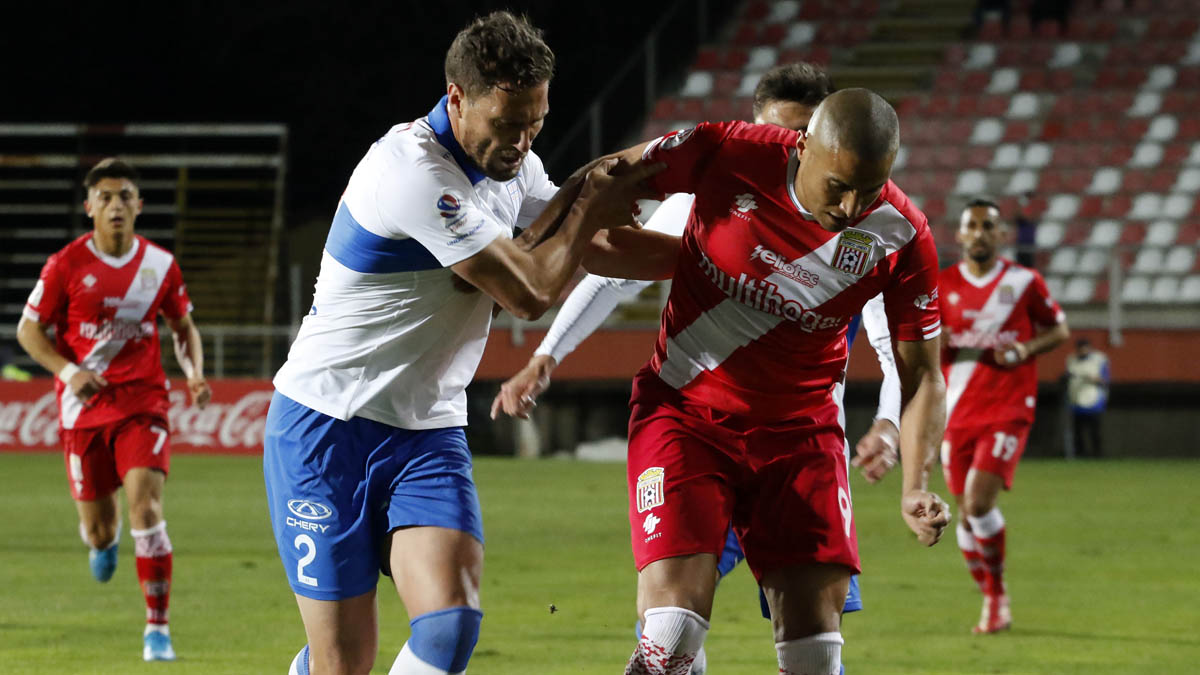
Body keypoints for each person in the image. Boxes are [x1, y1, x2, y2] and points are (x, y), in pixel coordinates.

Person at [261, 11, 660, 675]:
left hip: (427, 432)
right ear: (456, 98)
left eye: (535, 121)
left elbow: (593, 242)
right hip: (325, 426)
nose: (522, 141)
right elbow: (529, 291)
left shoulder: (516, 165)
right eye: (507, 124)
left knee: (450, 623)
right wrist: (590, 199)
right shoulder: (414, 173)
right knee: (344, 661)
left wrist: (717, 258)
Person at [492, 63, 902, 675]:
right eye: (770, 134)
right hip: (701, 428)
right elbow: (607, 272)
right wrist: (547, 353)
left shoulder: (860, 235)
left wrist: (890, 423)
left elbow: (899, 347)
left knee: (815, 647)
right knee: (674, 623)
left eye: (796, 136)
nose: (782, 152)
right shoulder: (718, 195)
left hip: (799, 450)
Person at [16, 157, 211, 662]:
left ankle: (157, 629)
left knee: (146, 505)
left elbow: (183, 327)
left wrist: (192, 373)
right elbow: (28, 331)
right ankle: (101, 543)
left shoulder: (160, 266)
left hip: (143, 401)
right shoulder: (65, 265)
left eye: (125, 195)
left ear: (139, 205)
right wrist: (69, 372)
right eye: (105, 197)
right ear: (89, 208)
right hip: (84, 409)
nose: (116, 205)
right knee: (101, 530)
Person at [938, 197, 1070, 634]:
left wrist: (1026, 349)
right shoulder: (941, 286)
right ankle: (993, 600)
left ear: (1001, 235)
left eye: (987, 226)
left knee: (978, 501)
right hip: (955, 409)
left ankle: (996, 597)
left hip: (1008, 407)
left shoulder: (1023, 282)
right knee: (964, 511)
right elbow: (925, 345)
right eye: (971, 225)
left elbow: (1059, 330)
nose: (978, 232)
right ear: (959, 235)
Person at [1065, 337, 1108, 458]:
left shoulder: (1099, 359)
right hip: (1076, 400)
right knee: (1078, 432)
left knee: (1095, 431)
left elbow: (1105, 380)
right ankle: (1080, 454)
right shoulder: (1071, 360)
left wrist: (1094, 379)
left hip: (1093, 401)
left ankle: (1097, 454)